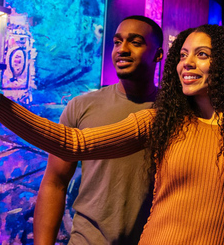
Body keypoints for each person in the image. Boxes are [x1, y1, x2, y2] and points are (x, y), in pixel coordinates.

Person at [0, 19, 224, 244]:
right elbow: (74, 143)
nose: (187, 64)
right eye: (183, 56)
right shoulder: (163, 121)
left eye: (201, 55)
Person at [34, 16, 163, 244]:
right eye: (117, 42)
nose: (122, 49)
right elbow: (55, 182)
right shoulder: (82, 106)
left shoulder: (175, 111)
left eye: (135, 42)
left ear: (158, 54)